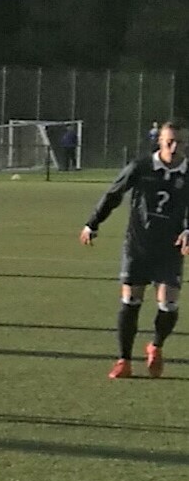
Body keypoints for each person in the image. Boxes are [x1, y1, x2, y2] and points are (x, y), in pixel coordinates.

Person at [82, 119, 189, 378]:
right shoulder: (140, 168)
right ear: (159, 141)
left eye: (180, 142)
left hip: (170, 248)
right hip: (138, 245)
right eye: (169, 141)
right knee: (131, 301)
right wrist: (92, 224)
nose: (174, 147)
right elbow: (113, 195)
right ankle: (124, 360)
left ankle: (156, 346)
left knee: (168, 305)